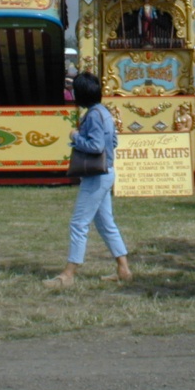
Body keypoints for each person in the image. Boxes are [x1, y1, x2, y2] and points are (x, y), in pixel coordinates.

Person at [44, 72, 131, 288]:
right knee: (105, 223)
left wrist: (75, 137)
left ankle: (69, 273)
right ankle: (123, 268)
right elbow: (112, 141)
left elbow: (95, 146)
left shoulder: (92, 115)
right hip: (106, 172)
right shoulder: (105, 113)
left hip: (95, 176)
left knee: (78, 223)